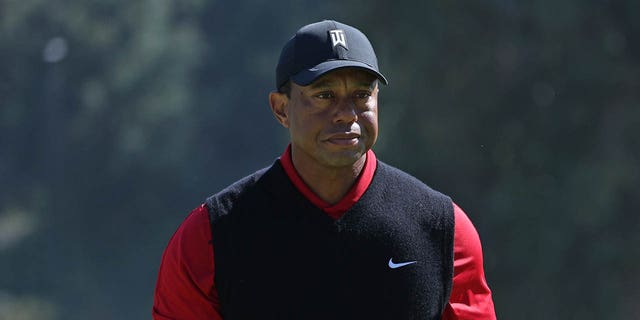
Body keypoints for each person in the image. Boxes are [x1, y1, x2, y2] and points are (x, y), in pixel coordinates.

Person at [152, 20, 496, 320]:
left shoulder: (444, 231)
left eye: (362, 95)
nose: (346, 113)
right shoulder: (210, 236)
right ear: (281, 109)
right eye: (324, 95)